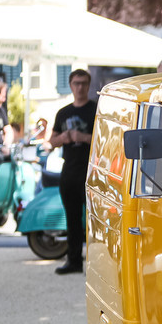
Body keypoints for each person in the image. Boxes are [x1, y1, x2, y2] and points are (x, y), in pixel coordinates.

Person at [46, 69, 98, 275]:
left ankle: (97, 265)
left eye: (84, 83)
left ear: (89, 85)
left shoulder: (96, 109)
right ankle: (74, 260)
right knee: (72, 218)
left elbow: (106, 139)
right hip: (70, 169)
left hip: (92, 170)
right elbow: (51, 141)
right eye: (76, 83)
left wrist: (83, 137)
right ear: (70, 85)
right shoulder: (63, 113)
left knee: (95, 221)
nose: (80, 87)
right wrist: (63, 138)